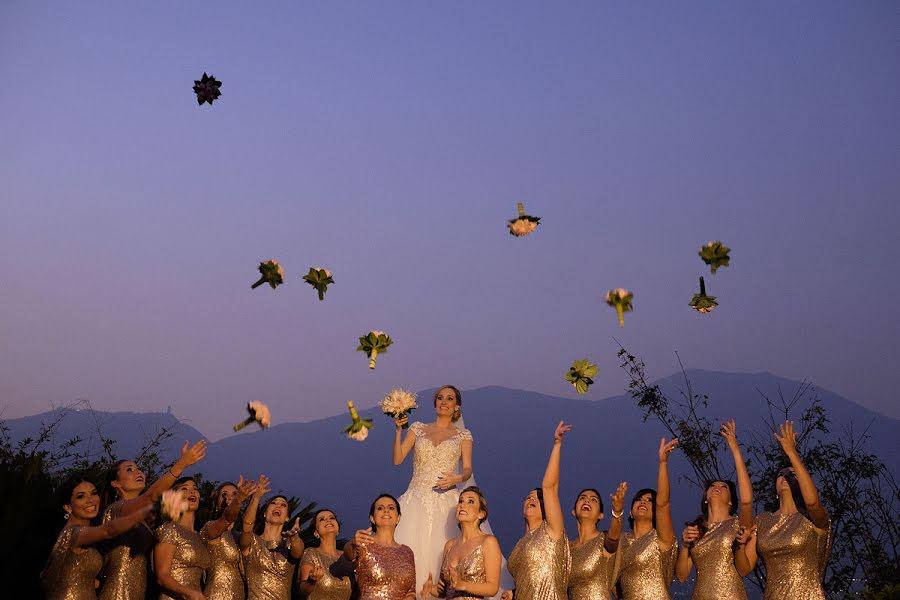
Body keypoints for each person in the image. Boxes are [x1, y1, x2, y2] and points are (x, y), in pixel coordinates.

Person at [100, 440, 207, 600]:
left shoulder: (145, 520)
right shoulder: (116, 509)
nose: (138, 472)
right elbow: (151, 496)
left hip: (138, 592)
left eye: (139, 469)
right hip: (117, 592)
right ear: (115, 483)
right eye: (130, 470)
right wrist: (181, 464)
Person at [391, 385, 473, 590]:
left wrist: (457, 478)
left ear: (457, 406)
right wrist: (398, 430)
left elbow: (468, 469)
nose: (444, 402)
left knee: (441, 555)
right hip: (415, 499)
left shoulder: (463, 436)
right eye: (440, 398)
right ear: (435, 402)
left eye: (450, 398)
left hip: (445, 499)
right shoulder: (418, 428)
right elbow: (398, 459)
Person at [747, 420, 832, 600]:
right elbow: (745, 566)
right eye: (781, 474)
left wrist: (791, 453)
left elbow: (812, 503)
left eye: (792, 474)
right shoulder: (762, 520)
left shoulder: (812, 519)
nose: (785, 476)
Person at [675, 419, 753, 599]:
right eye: (713, 486)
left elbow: (747, 500)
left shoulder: (738, 524)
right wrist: (685, 546)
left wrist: (734, 448)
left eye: (724, 486)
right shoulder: (695, 530)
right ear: (705, 498)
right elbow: (681, 576)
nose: (717, 487)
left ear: (732, 501)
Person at [40, 476, 152, 600]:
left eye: (93, 494)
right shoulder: (72, 533)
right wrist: (145, 511)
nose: (90, 500)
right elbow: (108, 530)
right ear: (68, 507)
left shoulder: (88, 534)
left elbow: (79, 579)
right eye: (81, 496)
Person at [503, 421, 572, 600]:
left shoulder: (551, 532)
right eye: (529, 497)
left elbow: (549, 487)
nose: (532, 499)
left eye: (538, 498)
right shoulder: (520, 543)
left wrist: (557, 445)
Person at [615, 438, 679, 600]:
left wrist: (662, 463)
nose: (644, 501)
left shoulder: (660, 539)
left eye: (650, 501)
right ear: (630, 511)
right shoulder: (621, 541)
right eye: (639, 499)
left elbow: (663, 505)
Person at [420, 486, 502, 599]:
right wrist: (430, 588)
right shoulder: (450, 545)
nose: (462, 505)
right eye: (461, 501)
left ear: (481, 514)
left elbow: (492, 588)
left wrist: (463, 585)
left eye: (471, 502)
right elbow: (443, 591)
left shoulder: (488, 542)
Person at [240, 476, 304, 600]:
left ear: (287, 518)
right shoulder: (252, 541)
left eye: (283, 505)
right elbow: (247, 526)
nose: (278, 506)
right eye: (273, 503)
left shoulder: (289, 545)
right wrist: (256, 497)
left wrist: (295, 538)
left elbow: (298, 553)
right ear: (265, 513)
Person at [343, 494, 416, 600]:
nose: (386, 510)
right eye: (380, 508)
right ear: (372, 518)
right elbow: (348, 554)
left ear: (398, 518)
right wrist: (353, 543)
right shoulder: (364, 543)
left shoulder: (407, 552)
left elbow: (411, 591)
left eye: (391, 508)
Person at [567, 482, 627, 600]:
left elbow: (613, 538)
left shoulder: (603, 540)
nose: (587, 501)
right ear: (574, 511)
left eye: (593, 500)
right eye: (582, 498)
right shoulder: (567, 549)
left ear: (600, 515)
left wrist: (617, 511)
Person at [154, 477, 211, 600]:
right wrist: (188, 593)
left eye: (195, 489)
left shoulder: (199, 536)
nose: (192, 491)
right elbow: (162, 576)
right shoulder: (170, 529)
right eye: (184, 488)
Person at [202, 477, 257, 600]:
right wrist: (238, 499)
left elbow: (248, 527)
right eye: (224, 494)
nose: (229, 497)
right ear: (216, 503)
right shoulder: (210, 528)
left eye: (234, 494)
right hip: (217, 594)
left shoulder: (239, 536)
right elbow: (227, 518)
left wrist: (256, 497)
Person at [298, 509, 353, 600]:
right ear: (316, 532)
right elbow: (303, 590)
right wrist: (311, 581)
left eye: (332, 518)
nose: (328, 520)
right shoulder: (311, 553)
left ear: (338, 529)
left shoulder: (347, 557)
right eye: (322, 519)